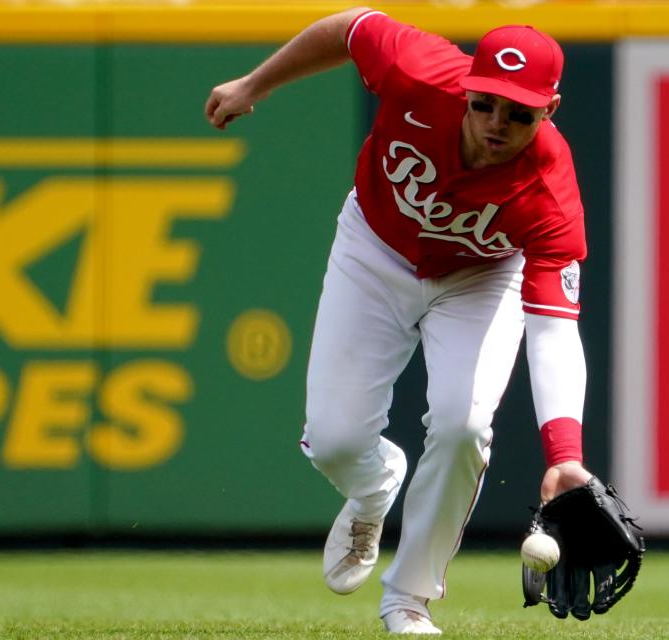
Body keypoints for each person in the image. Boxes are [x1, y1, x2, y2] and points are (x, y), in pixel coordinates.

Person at [206, 7, 595, 634]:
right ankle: (374, 485)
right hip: (375, 247)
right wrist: (256, 84)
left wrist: (565, 453)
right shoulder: (418, 69)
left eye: (519, 113)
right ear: (469, 85)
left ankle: (408, 599)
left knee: (464, 423)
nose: (498, 124)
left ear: (549, 109)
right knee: (333, 440)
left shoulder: (549, 191)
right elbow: (347, 27)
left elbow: (553, 328)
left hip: (481, 276)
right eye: (487, 103)